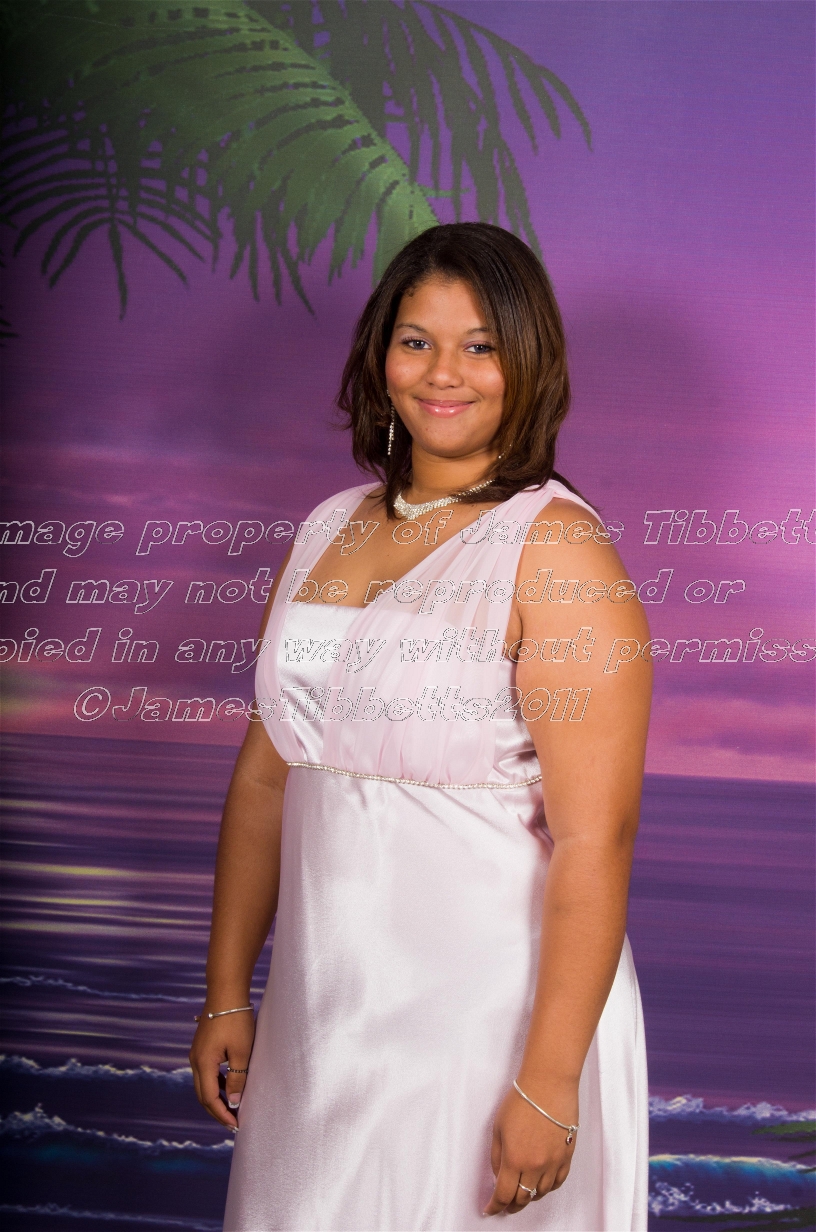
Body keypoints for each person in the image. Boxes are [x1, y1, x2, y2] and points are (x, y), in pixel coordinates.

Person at [190, 222, 652, 1231]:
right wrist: (228, 988)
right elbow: (268, 773)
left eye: (481, 344)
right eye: (417, 340)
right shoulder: (327, 525)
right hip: (324, 1012)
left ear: (530, 362)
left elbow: (596, 837)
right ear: (380, 354)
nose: (445, 372)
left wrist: (549, 1080)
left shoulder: (558, 550)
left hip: (488, 1021)